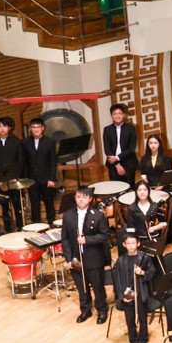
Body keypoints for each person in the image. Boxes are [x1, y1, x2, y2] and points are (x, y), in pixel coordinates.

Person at [61, 187, 110, 324]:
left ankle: (102, 309)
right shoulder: (68, 215)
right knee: (81, 286)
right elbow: (65, 238)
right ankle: (85, 309)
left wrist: (87, 240)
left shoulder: (98, 215)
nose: (81, 199)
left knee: (97, 286)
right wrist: (68, 258)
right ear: (75, 198)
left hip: (94, 257)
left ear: (90, 199)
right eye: (78, 197)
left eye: (84, 197)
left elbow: (105, 235)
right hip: (75, 257)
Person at [102, 103, 138, 182]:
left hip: (128, 162)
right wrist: (116, 164)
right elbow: (107, 149)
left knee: (129, 187)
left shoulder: (131, 129)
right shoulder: (107, 130)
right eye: (115, 114)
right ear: (111, 115)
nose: (117, 116)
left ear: (124, 115)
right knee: (116, 187)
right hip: (113, 164)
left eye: (120, 113)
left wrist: (117, 157)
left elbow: (131, 148)